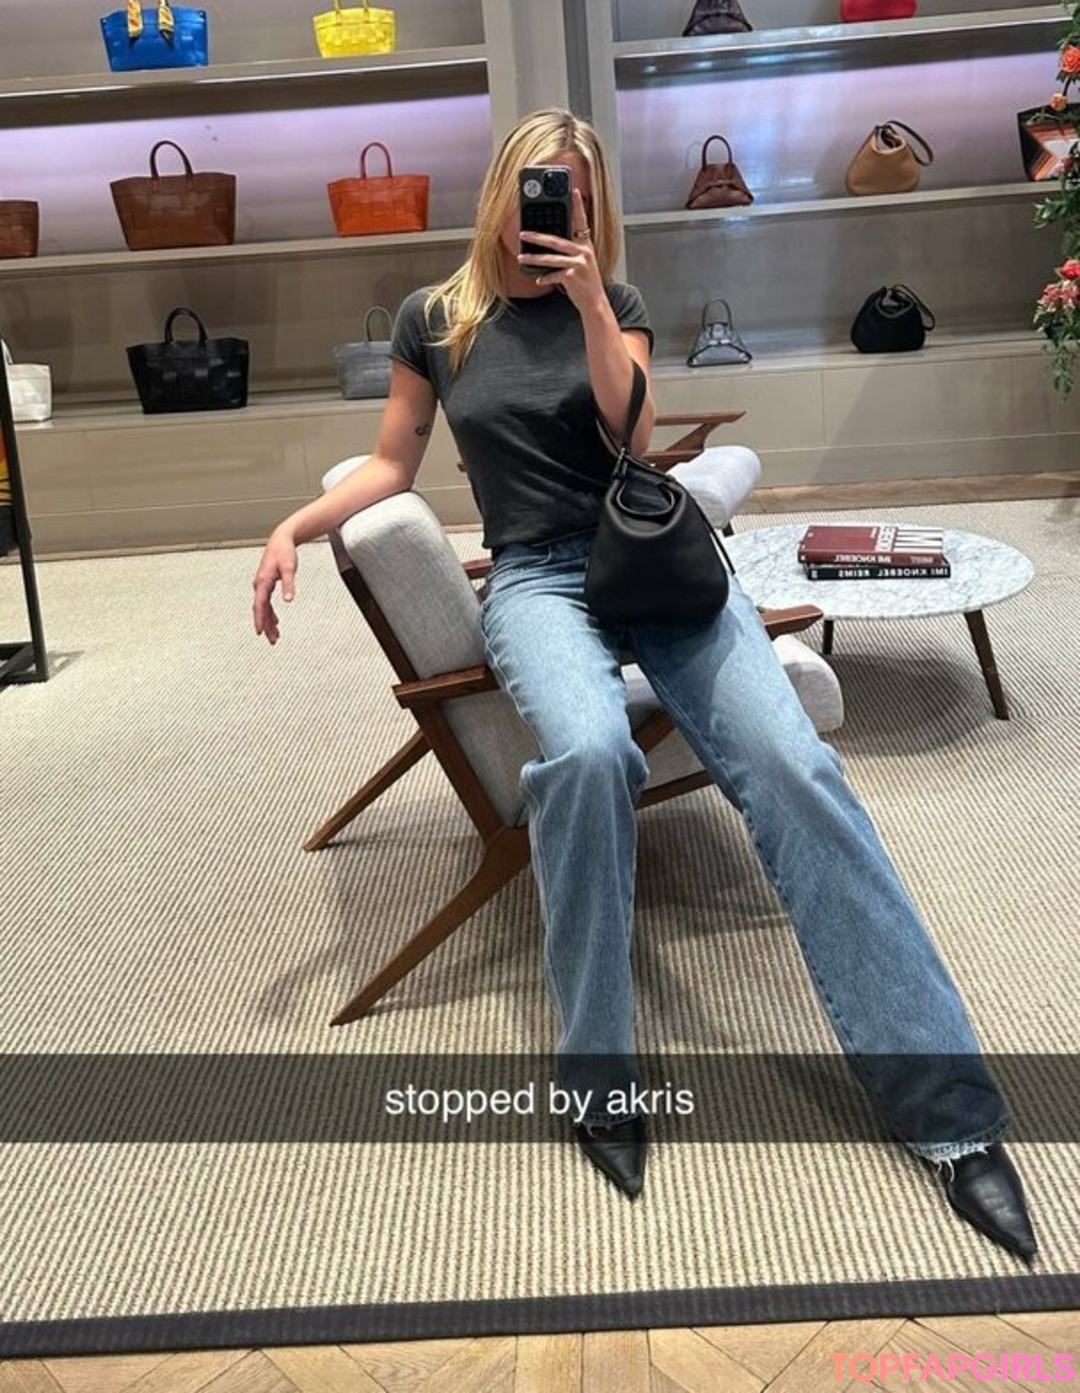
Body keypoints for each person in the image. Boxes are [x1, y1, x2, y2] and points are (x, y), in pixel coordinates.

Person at [253, 108, 1036, 1259]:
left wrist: (587, 304)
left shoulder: (613, 299)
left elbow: (635, 438)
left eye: (572, 193)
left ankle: (952, 1116)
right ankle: (600, 1075)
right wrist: (292, 524)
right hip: (535, 576)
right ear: (500, 189)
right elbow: (391, 460)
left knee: (796, 766)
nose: (550, 210)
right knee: (583, 754)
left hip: (654, 555)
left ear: (592, 206)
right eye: (536, 185)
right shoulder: (437, 318)